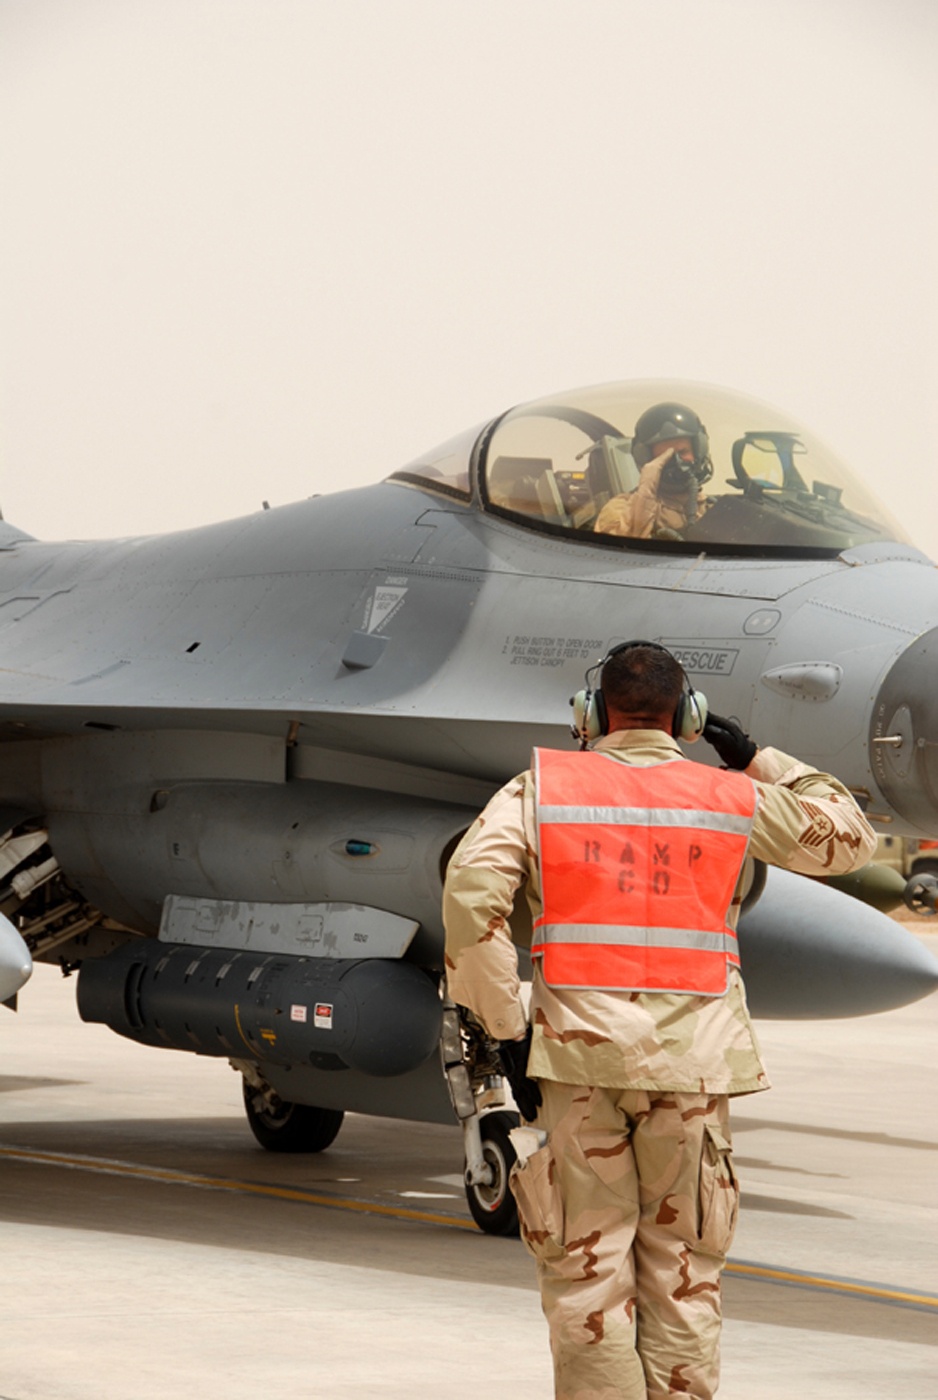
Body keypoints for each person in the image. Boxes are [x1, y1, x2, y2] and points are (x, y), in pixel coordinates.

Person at [442, 642, 876, 1400]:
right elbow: (849, 838)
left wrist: (506, 1030)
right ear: (687, 716)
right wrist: (755, 758)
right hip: (696, 1069)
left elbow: (471, 892)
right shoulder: (729, 795)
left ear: (591, 714)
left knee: (586, 1273)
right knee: (684, 1274)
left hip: (577, 1069)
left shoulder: (541, 789)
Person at [595, 403, 713, 539]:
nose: (676, 462)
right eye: (664, 457)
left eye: (683, 452)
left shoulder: (710, 508)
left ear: (699, 451)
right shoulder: (619, 508)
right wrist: (646, 491)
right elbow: (618, 548)